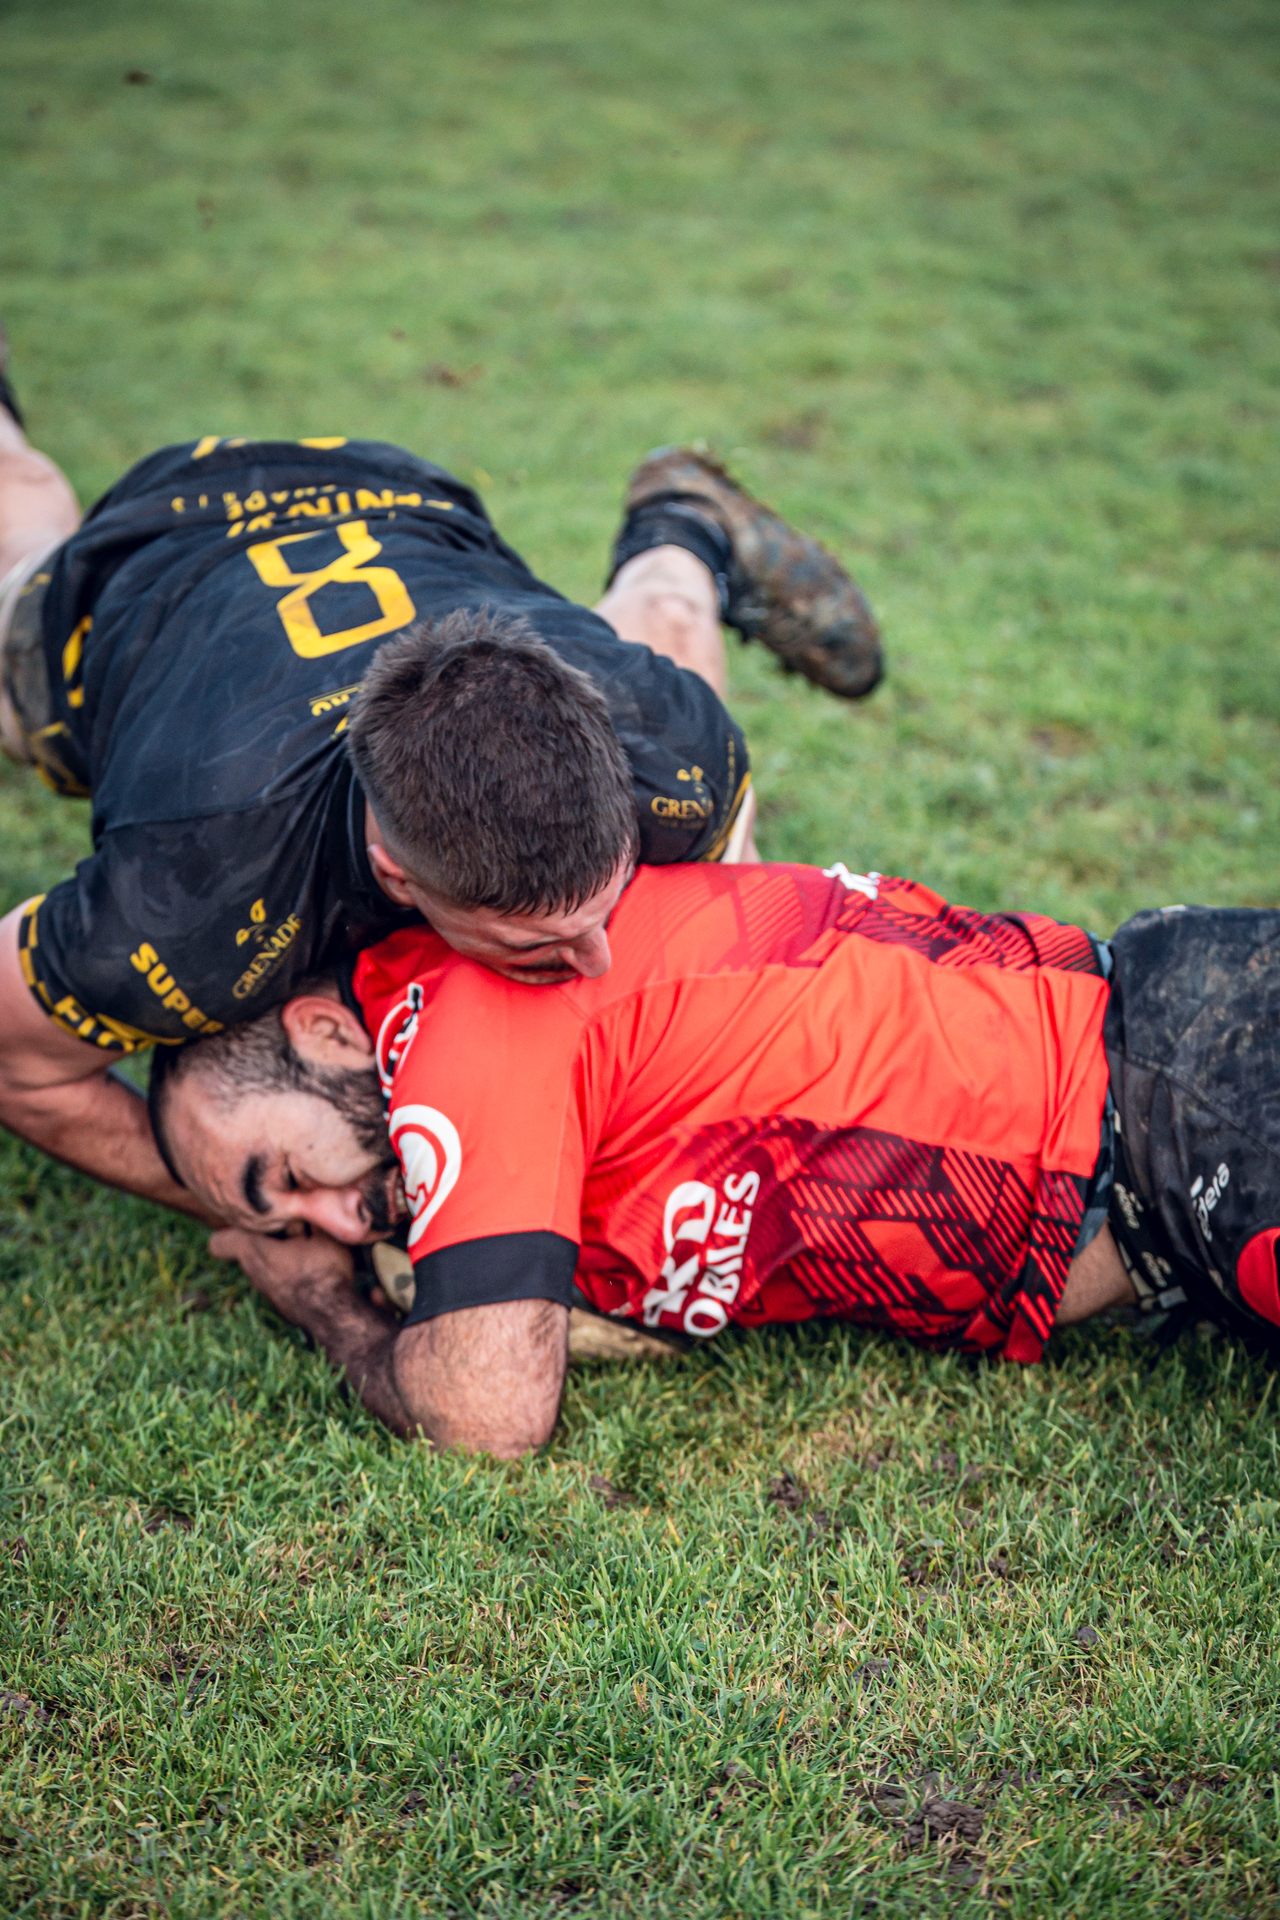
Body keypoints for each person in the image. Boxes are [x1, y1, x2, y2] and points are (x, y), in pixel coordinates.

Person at [0, 334, 882, 1217]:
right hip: (164, 548)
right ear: (396, 874)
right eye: (538, 945)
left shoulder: (664, 742)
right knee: (21, 528)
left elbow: (740, 971)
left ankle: (683, 524)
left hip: (392, 500)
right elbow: (16, 1065)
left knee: (670, 628)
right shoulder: (189, 890)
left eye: (601, 905)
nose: (596, 958)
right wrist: (265, 1216)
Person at [150, 859, 1280, 1456]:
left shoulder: (455, 1036)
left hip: (1176, 1097)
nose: (334, 1224)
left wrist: (323, 1306)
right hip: (1159, 1128)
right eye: (293, 1229)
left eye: (284, 1179)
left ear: (324, 1031)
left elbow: (486, 1418)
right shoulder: (462, 1064)